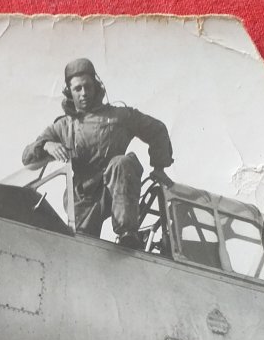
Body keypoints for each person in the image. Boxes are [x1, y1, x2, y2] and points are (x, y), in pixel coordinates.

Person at [22, 58, 173, 247]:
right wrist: (46, 145)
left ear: (96, 86)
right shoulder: (64, 126)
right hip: (84, 196)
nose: (84, 93)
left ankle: (128, 234)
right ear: (69, 92)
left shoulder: (120, 116)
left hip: (118, 187)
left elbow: (157, 130)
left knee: (122, 162)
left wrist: (159, 167)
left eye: (87, 86)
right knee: (81, 247)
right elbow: (27, 158)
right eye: (78, 89)